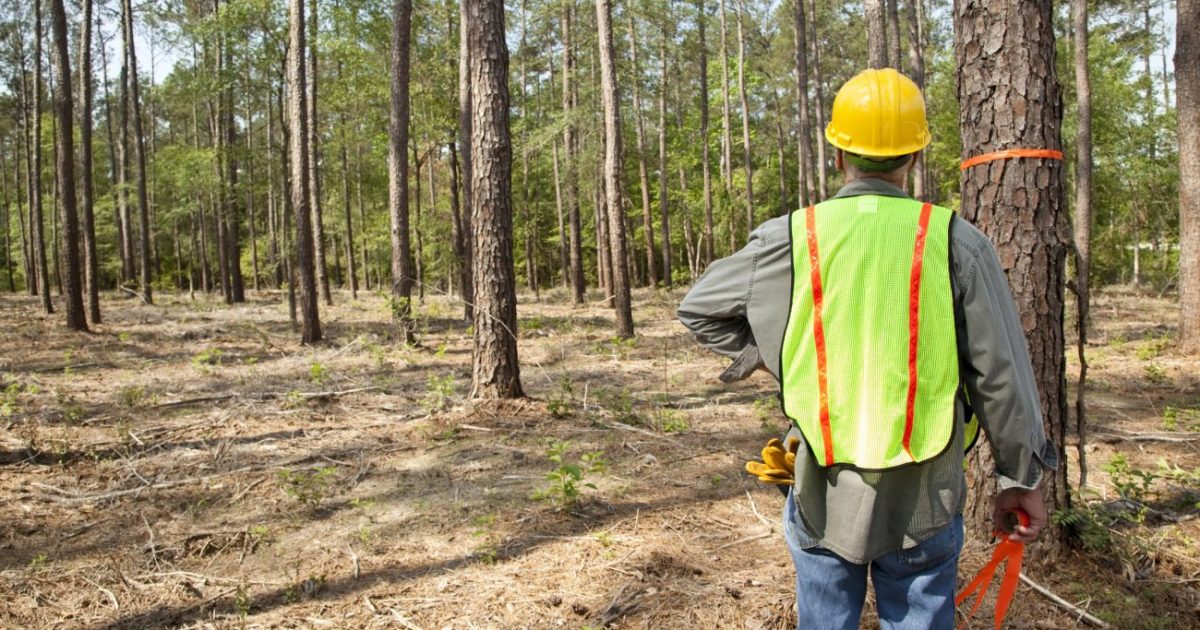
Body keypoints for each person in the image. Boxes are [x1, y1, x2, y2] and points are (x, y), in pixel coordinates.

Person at [677, 68, 1058, 630]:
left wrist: (779, 356)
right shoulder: (955, 240)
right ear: (914, 157)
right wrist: (1019, 480)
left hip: (821, 491)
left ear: (838, 154)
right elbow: (1000, 376)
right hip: (926, 494)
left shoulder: (793, 236)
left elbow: (700, 306)